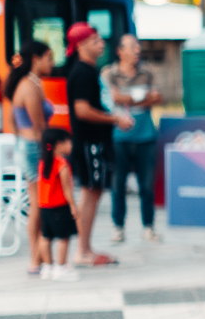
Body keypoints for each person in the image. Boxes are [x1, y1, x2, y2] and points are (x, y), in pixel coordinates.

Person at [65, 23, 131, 266]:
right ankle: (83, 251)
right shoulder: (81, 72)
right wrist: (115, 119)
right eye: (95, 41)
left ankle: (85, 248)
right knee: (90, 195)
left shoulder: (90, 71)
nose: (102, 44)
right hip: (90, 142)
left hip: (96, 141)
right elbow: (82, 110)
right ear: (81, 45)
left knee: (93, 193)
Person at [102, 33, 162, 244]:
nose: (137, 51)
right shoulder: (109, 74)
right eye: (132, 47)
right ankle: (118, 227)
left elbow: (157, 97)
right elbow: (113, 98)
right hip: (119, 138)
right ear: (120, 51)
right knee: (118, 185)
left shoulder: (147, 73)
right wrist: (141, 98)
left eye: (138, 47)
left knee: (147, 186)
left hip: (146, 137)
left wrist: (127, 98)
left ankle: (149, 227)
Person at [6, 41, 55, 275]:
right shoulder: (30, 86)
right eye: (49, 58)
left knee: (37, 203)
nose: (52, 63)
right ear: (36, 59)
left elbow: (12, 122)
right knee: (38, 204)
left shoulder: (30, 83)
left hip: (26, 146)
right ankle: (36, 259)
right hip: (33, 147)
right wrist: (49, 153)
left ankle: (39, 257)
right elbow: (40, 127)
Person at [36, 127, 80, 281]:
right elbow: (67, 189)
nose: (71, 145)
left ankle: (47, 267)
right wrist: (74, 206)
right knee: (64, 237)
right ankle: (60, 268)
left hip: (44, 206)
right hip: (59, 206)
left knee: (45, 236)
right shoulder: (62, 164)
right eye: (69, 142)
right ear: (59, 144)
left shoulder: (43, 163)